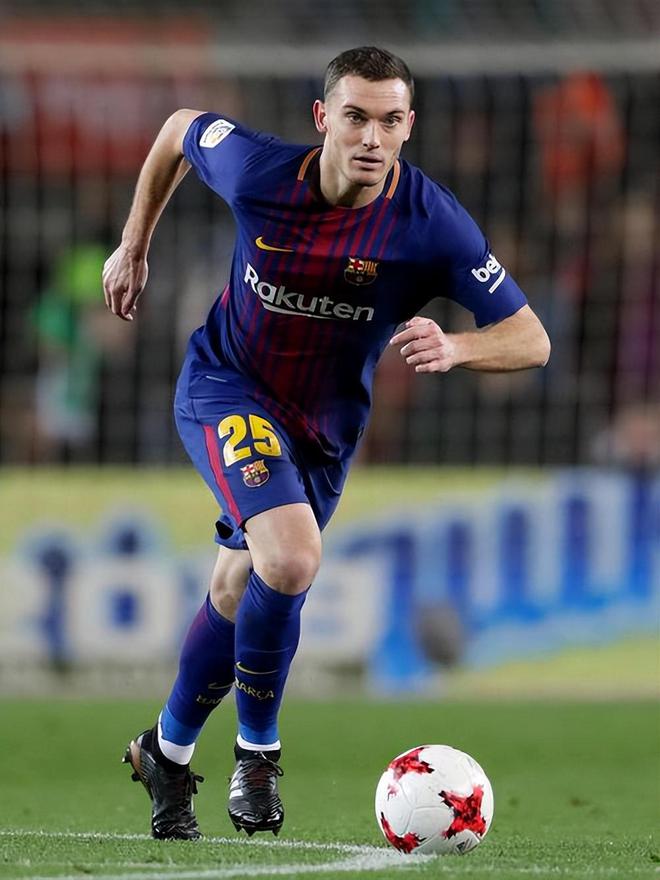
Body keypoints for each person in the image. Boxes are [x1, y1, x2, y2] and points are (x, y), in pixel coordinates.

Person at [102, 46, 551, 841]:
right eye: (355, 117)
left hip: (324, 431)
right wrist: (134, 243)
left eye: (389, 120)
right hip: (227, 388)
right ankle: (258, 755)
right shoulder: (259, 171)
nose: (372, 137)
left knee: (238, 589)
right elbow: (177, 130)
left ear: (409, 126)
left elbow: (531, 338)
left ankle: (164, 752)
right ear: (323, 118)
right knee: (290, 559)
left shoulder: (431, 223)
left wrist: (458, 347)